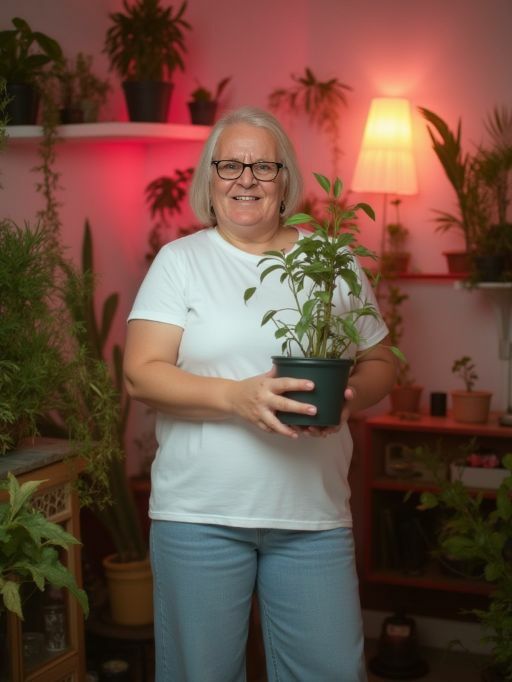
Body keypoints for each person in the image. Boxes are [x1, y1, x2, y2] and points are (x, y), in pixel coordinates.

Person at [123, 105, 397, 682]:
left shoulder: (331, 261)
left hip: (312, 515)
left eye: (263, 167)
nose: (245, 179)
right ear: (210, 178)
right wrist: (237, 398)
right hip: (199, 517)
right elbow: (141, 372)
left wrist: (347, 399)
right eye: (230, 165)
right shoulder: (181, 263)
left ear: (284, 179)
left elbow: (380, 361)